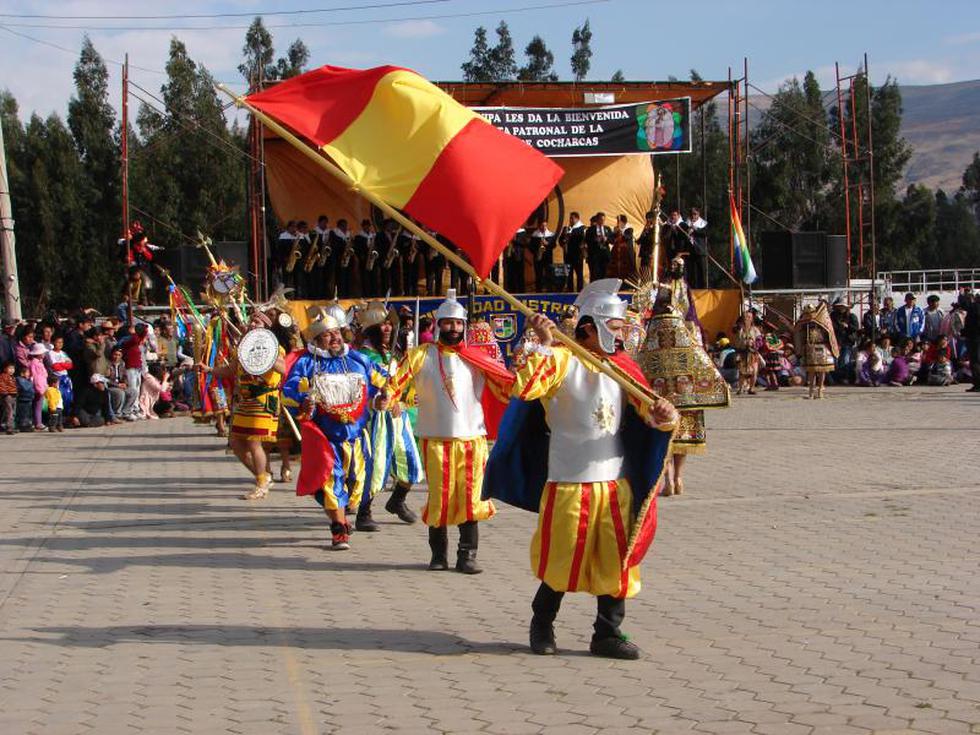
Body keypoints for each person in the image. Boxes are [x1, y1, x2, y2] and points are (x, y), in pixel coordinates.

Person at [484, 279, 678, 660]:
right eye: (616, 328)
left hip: (613, 483)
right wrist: (541, 343)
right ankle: (542, 623)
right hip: (568, 481)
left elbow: (647, 413)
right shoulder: (560, 360)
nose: (621, 337)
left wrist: (663, 416)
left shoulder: (621, 367)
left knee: (615, 560)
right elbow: (523, 387)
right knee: (562, 559)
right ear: (590, 327)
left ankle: (607, 632)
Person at [386, 290, 515, 574]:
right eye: (448, 323)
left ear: (464, 326)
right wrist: (388, 397)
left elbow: (504, 386)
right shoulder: (421, 355)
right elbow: (396, 382)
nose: (453, 329)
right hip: (435, 439)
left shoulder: (477, 357)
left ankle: (467, 555)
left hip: (472, 439)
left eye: (458, 324)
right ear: (439, 325)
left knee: (471, 498)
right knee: (440, 497)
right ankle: (438, 555)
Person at [283, 308, 388, 550]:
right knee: (331, 483)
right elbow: (289, 391)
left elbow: (380, 382)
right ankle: (338, 529)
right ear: (317, 340)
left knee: (356, 483)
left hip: (356, 437)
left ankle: (343, 515)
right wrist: (303, 399)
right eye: (328, 335)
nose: (335, 338)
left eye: (336, 333)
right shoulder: (308, 363)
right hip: (325, 437)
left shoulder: (357, 359)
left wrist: (382, 399)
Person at [636, 271, 729, 497]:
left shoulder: (653, 333)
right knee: (682, 440)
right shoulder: (684, 331)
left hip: (660, 397)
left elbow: (642, 364)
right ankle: (678, 477)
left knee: (664, 437)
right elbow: (699, 358)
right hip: (685, 395)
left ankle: (667, 479)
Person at [200, 311, 286, 500]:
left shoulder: (274, 346)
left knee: (254, 442)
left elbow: (283, 368)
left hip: (264, 398)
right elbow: (231, 370)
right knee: (236, 444)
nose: (253, 325)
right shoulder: (243, 347)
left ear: (266, 327)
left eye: (257, 322)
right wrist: (210, 370)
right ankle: (263, 476)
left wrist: (267, 356)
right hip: (245, 401)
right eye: (252, 322)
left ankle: (262, 483)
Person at [357, 303, 424, 529]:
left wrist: (407, 398)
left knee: (412, 462)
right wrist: (376, 401)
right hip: (375, 420)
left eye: (389, 324)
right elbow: (361, 389)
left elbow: (405, 383)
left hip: (399, 419)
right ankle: (363, 512)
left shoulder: (394, 353)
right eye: (382, 325)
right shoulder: (363, 358)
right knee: (376, 465)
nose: (387, 328)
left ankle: (397, 500)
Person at [793, 303, 838, 399]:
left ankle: (820, 388)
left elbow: (829, 331)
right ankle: (811, 390)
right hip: (810, 348)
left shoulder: (822, 320)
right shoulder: (804, 323)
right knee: (811, 371)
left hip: (822, 346)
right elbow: (798, 332)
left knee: (822, 370)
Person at [732, 311, 763, 395]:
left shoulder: (755, 330)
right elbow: (734, 331)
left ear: (752, 319)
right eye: (745, 317)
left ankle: (752, 388)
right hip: (742, 353)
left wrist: (754, 344)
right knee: (742, 372)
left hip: (752, 353)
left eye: (749, 317)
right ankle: (741, 388)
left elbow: (760, 341)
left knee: (754, 371)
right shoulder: (739, 328)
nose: (747, 319)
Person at [830, 298, 859, 384]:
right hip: (836, 341)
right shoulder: (833, 316)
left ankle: (845, 378)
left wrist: (847, 326)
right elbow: (831, 328)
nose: (841, 308)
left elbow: (855, 328)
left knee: (845, 361)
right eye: (839, 306)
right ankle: (836, 379)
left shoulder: (852, 316)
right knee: (835, 361)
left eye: (843, 306)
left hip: (847, 342)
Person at [45, 335, 74, 418]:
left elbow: (70, 365)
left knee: (68, 398)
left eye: (61, 342)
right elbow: (55, 367)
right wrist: (64, 364)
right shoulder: (50, 353)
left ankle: (66, 417)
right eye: (58, 342)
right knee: (57, 400)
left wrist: (61, 364)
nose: (60, 344)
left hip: (65, 378)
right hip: (56, 378)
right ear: (53, 342)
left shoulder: (63, 353)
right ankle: (56, 418)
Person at [558, 211, 586, 292]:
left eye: (572, 218)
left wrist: (570, 235)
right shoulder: (566, 228)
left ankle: (579, 291)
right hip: (567, 255)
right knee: (569, 274)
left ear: (577, 219)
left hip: (577, 255)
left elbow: (580, 238)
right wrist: (564, 240)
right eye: (570, 218)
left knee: (579, 274)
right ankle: (570, 290)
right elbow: (560, 240)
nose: (570, 220)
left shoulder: (582, 228)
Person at [685, 207, 709, 289]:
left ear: (698, 214)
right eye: (692, 214)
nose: (693, 216)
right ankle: (692, 289)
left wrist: (695, 230)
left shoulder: (703, 223)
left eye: (695, 214)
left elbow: (705, 233)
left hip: (700, 251)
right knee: (691, 272)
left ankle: (702, 288)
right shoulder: (686, 223)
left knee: (701, 272)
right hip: (690, 251)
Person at [585, 212, 613, 282]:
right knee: (595, 274)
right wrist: (595, 240)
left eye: (603, 220)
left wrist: (607, 239)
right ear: (597, 220)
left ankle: (604, 289)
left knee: (605, 273)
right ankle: (594, 290)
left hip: (605, 255)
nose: (602, 221)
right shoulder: (590, 229)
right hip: (595, 255)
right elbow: (587, 240)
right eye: (601, 220)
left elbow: (612, 240)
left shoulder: (607, 228)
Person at [636, 211, 657, 283]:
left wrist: (653, 252)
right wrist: (645, 232)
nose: (648, 220)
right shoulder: (646, 228)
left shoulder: (656, 229)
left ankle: (649, 284)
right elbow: (639, 241)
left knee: (649, 269)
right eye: (647, 218)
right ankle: (644, 283)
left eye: (649, 218)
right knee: (643, 268)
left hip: (651, 252)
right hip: (644, 253)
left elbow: (654, 241)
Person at [15, 364, 36, 432]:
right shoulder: (20, 379)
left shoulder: (26, 380)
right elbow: (25, 388)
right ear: (22, 373)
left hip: (28, 400)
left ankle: (28, 425)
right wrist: (31, 382)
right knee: (23, 414)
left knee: (28, 414)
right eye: (27, 372)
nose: (29, 374)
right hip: (23, 400)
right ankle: (23, 426)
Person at [0, 361, 17, 434]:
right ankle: (9, 428)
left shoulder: (12, 377)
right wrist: (5, 393)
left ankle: (7, 426)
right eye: (10, 368)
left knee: (12, 412)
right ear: (5, 369)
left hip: (13, 395)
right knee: (9, 412)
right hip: (7, 396)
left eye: (13, 368)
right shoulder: (3, 376)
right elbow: (1, 385)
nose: (12, 370)